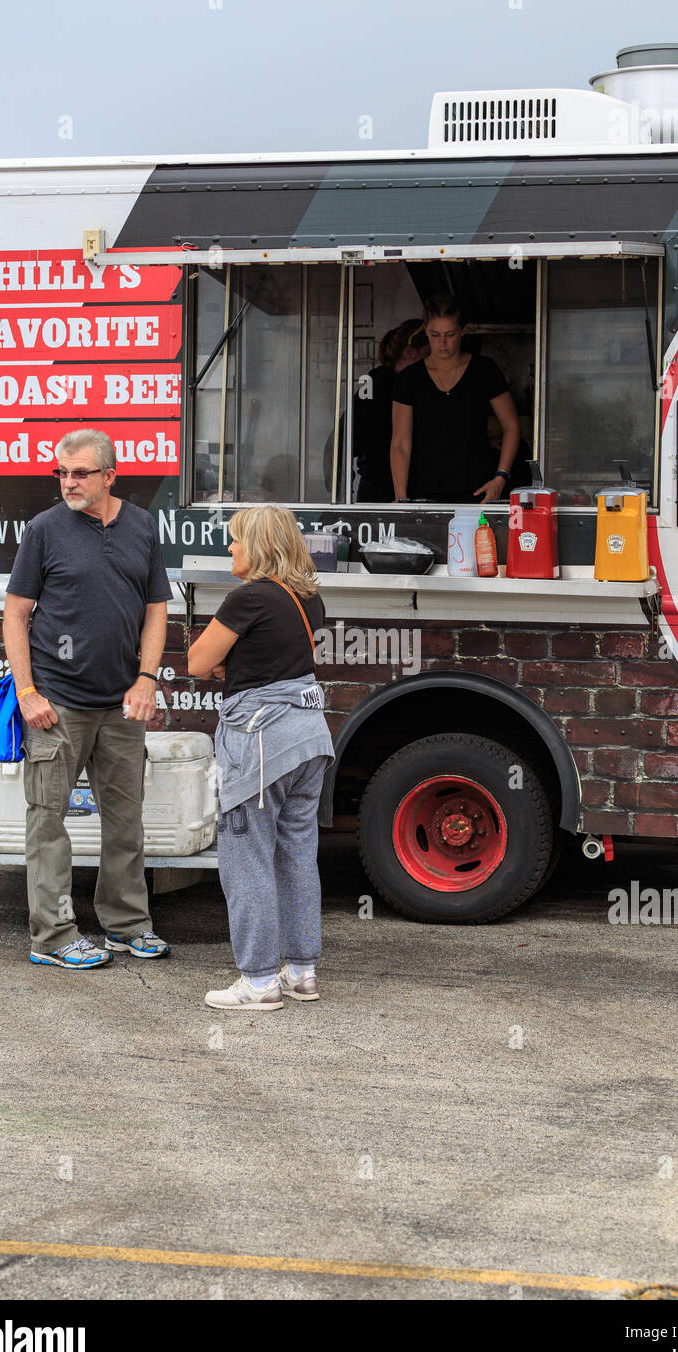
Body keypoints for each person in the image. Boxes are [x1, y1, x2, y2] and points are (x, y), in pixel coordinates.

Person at [3, 429, 172, 969]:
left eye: (80, 473)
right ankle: (52, 937)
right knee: (47, 820)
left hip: (121, 703)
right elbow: (15, 613)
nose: (69, 482)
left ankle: (126, 926)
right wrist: (27, 691)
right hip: (56, 703)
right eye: (62, 472)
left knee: (126, 820)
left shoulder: (141, 526)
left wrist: (147, 678)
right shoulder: (44, 531)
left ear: (110, 476)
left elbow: (155, 610)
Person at [187, 505, 335, 1012]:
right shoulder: (308, 599)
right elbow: (285, 657)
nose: (230, 549)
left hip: (260, 743)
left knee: (245, 859)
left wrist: (223, 657)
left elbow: (198, 663)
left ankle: (257, 981)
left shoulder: (247, 598)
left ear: (260, 545)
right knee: (296, 854)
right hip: (309, 739)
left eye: (236, 541)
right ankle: (302, 971)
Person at [390, 294, 522, 504]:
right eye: (434, 335)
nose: (442, 343)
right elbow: (400, 443)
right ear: (425, 331)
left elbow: (511, 425)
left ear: (463, 331)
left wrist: (501, 477)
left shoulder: (484, 370)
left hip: (478, 492)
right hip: (422, 494)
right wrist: (401, 496)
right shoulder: (409, 379)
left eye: (450, 334)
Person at [353, 319, 428, 501]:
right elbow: (345, 439)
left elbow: (344, 438)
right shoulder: (381, 385)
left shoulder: (371, 382)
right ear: (410, 352)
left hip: (374, 488)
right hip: (393, 488)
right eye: (429, 356)